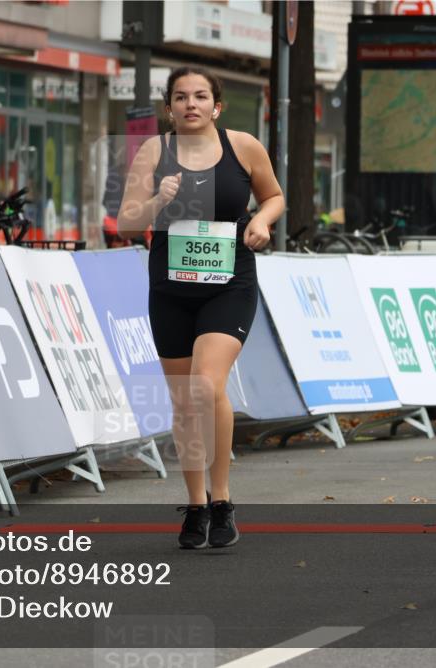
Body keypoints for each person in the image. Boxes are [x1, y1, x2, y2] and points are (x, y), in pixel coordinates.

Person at [117, 66, 285, 549]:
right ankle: (194, 505)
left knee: (206, 384)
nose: (190, 104)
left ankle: (222, 501)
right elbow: (128, 223)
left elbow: (272, 195)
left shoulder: (243, 146)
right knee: (184, 401)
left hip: (228, 283)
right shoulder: (154, 152)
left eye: (200, 96)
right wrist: (156, 201)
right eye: (180, 97)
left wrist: (263, 221)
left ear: (217, 105)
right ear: (169, 107)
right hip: (169, 287)